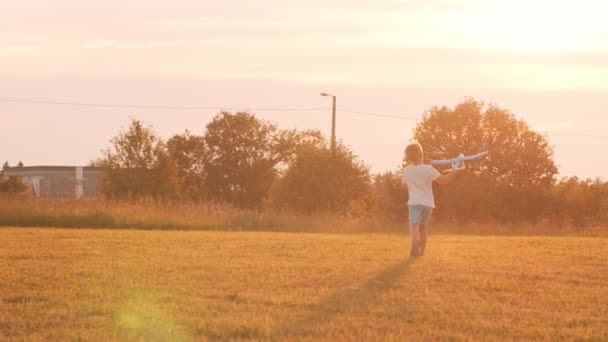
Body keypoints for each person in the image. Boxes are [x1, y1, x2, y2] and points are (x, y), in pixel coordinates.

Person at [401, 143, 464, 257]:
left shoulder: (406, 170)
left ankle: (415, 244)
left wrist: (413, 186)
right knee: (423, 227)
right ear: (421, 154)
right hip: (427, 203)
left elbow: (404, 187)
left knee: (414, 226)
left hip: (414, 202)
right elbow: (444, 181)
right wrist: (455, 172)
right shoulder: (428, 169)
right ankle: (422, 252)